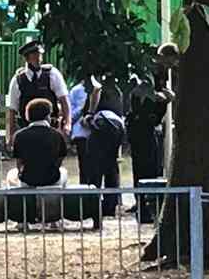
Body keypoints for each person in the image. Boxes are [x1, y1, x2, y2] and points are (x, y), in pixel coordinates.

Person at [125, 64, 174, 222]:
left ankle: (145, 208)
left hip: (144, 138)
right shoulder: (141, 97)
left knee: (145, 173)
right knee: (147, 172)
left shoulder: (140, 96)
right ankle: (144, 209)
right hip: (145, 138)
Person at [6, 40, 70, 147]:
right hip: (26, 130)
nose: (38, 58)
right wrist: (11, 135)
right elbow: (12, 110)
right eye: (34, 55)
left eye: (40, 54)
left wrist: (67, 124)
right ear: (27, 58)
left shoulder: (52, 74)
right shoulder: (18, 80)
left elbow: (64, 100)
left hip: (50, 128)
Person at [84, 74, 125, 217]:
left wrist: (89, 114)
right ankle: (110, 206)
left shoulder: (96, 87)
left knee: (95, 168)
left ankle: (94, 206)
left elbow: (96, 91)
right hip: (117, 126)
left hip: (101, 122)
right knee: (111, 167)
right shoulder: (117, 90)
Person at [10, 98, 68, 187]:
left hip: (28, 180)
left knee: (11, 174)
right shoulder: (57, 135)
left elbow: (19, 162)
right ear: (47, 116)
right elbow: (59, 161)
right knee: (64, 171)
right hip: (52, 179)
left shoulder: (19, 135)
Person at [69, 75, 102, 183]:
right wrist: (82, 110)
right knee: (84, 167)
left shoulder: (100, 88)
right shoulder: (75, 91)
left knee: (96, 166)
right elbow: (71, 116)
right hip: (81, 135)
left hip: (96, 132)